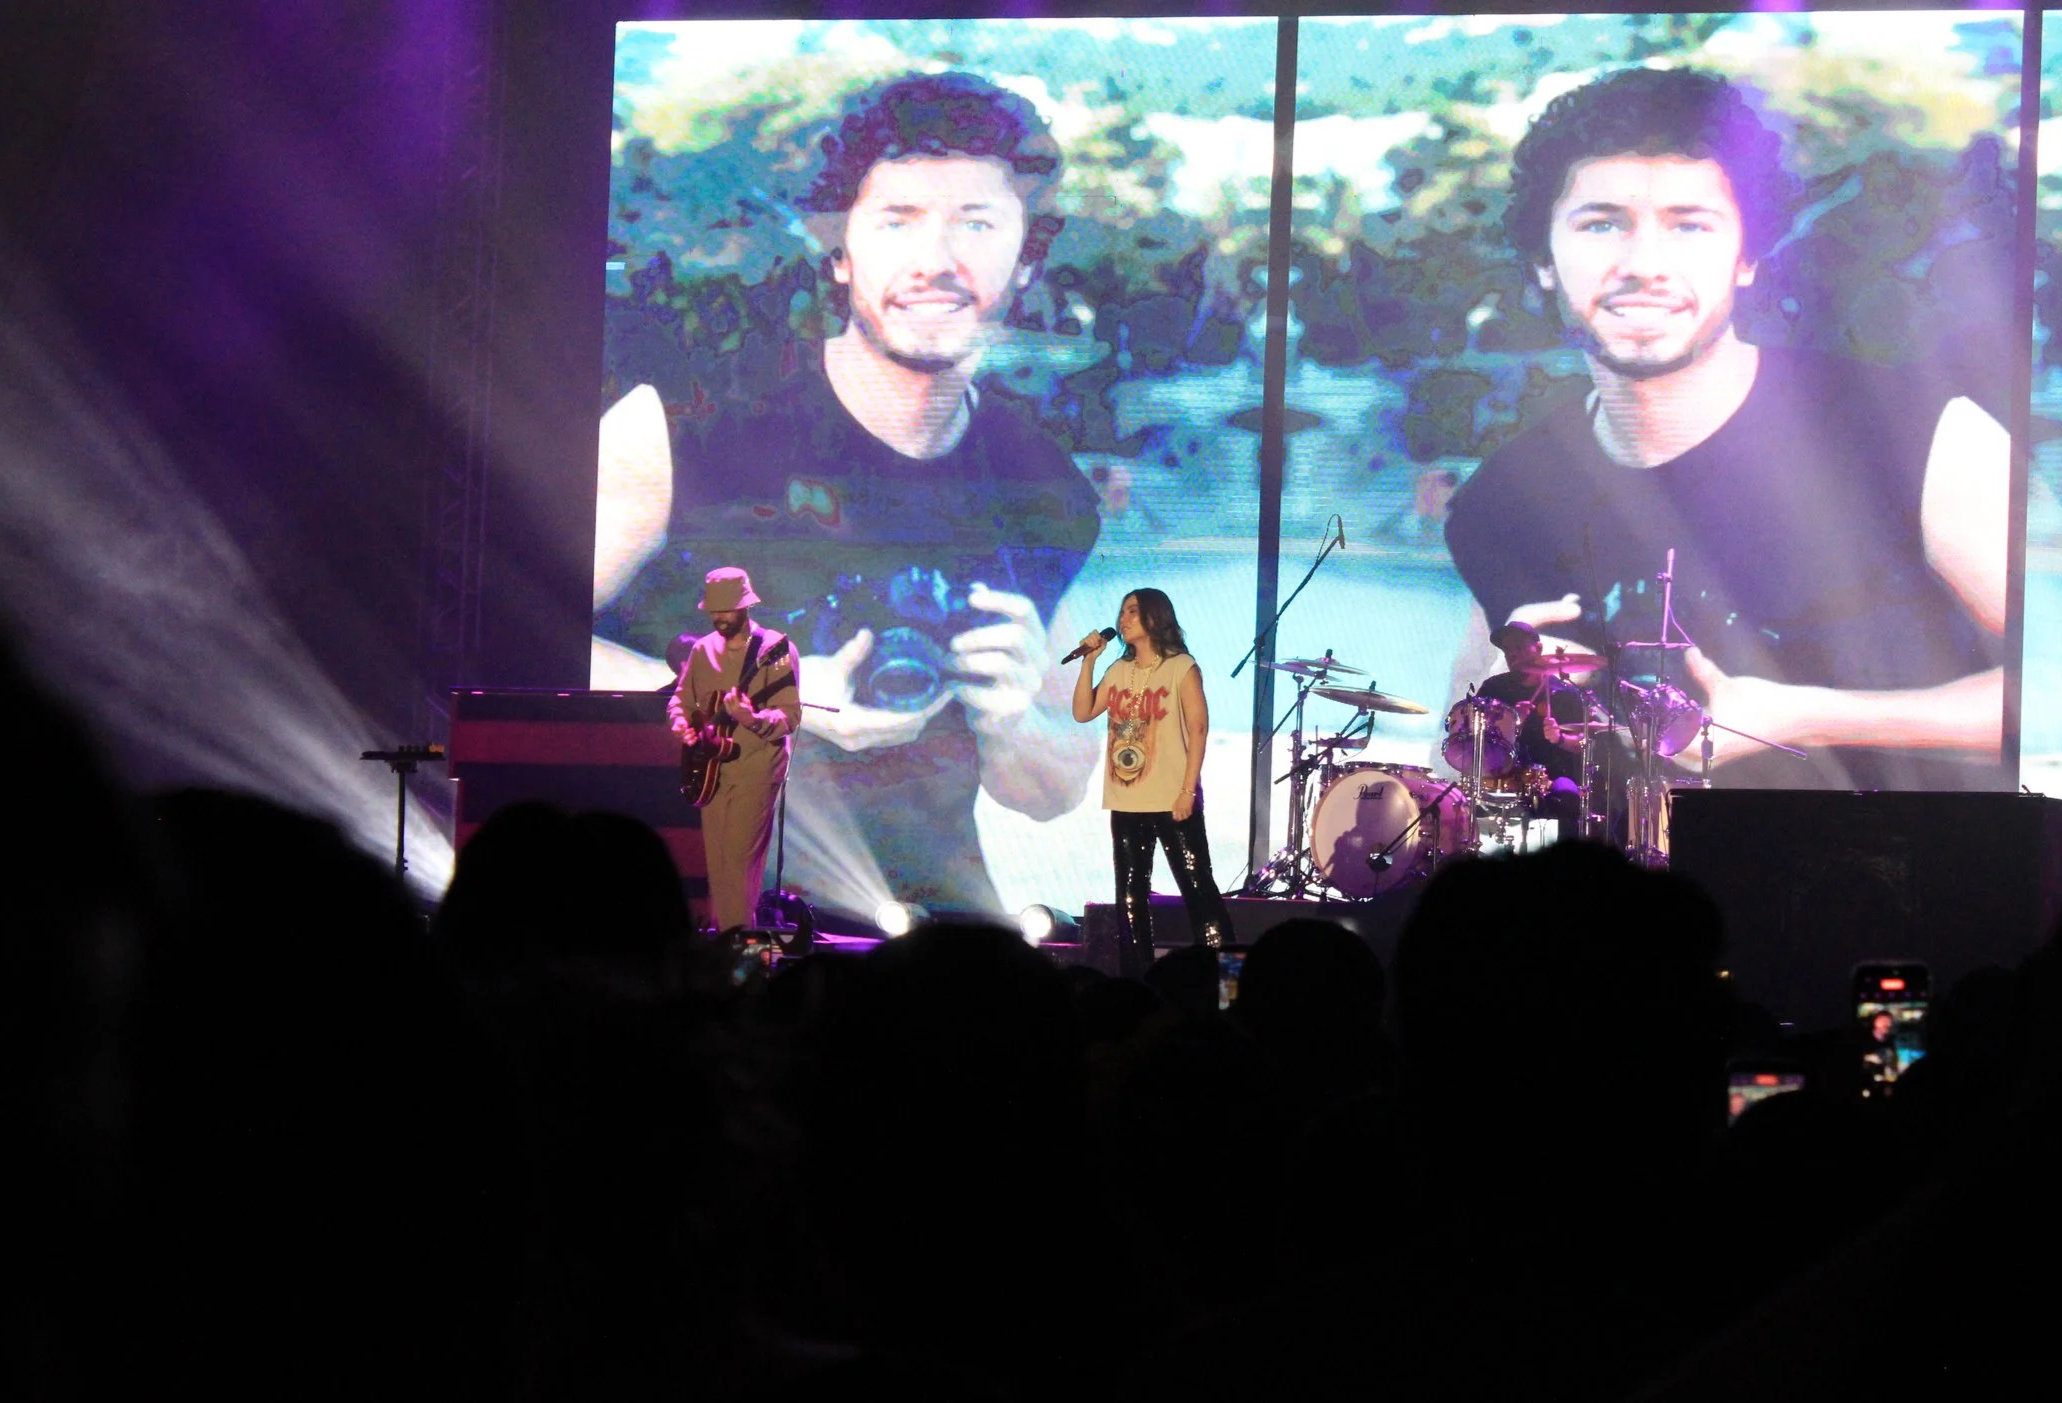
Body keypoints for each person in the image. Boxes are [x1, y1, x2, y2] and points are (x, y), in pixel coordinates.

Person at [597, 72, 1101, 915]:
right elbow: (522, 645)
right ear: (840, 251)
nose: (936, 261)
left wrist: (1014, 719)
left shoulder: (1044, 487)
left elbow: (1051, 789)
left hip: (919, 942)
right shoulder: (684, 422)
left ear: (1025, 259)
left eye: (976, 223)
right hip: (678, 922)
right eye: (898, 221)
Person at [1444, 67, 2007, 791]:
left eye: (1689, 225)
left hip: (1881, 883)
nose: (1644, 265)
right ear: (1543, 262)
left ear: (1747, 257)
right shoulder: (1502, 501)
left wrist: (1806, 715)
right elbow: (1463, 765)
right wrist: (1497, 706)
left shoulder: (1915, 433)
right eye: (1601, 223)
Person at [1070, 589, 1232, 971]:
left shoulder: (1181, 666)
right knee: (1130, 899)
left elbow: (1199, 729)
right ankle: (1138, 986)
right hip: (1126, 801)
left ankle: (1230, 988)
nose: (1123, 619)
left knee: (1199, 893)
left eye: (1133, 611)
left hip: (1174, 799)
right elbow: (1082, 712)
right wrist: (1089, 663)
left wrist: (1187, 790)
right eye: (1122, 612)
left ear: (1155, 617)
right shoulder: (1118, 671)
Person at [665, 567, 800, 934]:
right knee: (721, 864)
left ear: (745, 607)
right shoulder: (702, 649)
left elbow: (789, 716)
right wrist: (680, 722)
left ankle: (739, 949)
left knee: (741, 863)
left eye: (726, 610)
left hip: (757, 767)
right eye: (714, 611)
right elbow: (681, 700)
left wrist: (752, 717)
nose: (719, 617)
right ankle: (729, 944)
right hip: (711, 770)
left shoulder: (775, 649)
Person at [1473, 620, 1590, 828]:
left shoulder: (1565, 693)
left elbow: (1582, 743)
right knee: (1467, 802)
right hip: (1501, 775)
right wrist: (1511, 721)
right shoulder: (1494, 688)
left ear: (1538, 647)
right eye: (1507, 649)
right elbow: (1478, 736)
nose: (1512, 654)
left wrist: (1560, 738)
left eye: (1518, 646)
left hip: (1552, 777)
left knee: (1569, 796)